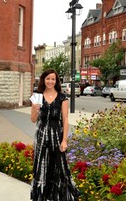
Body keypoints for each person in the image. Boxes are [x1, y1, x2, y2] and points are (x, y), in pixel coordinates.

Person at [30, 68, 80, 201]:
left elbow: (65, 120)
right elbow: (33, 119)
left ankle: (59, 197)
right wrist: (35, 109)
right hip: (41, 137)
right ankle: (41, 197)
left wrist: (64, 140)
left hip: (57, 137)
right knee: (41, 168)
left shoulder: (62, 97)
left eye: (53, 79)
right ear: (43, 80)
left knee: (59, 167)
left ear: (56, 80)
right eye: (48, 78)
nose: (50, 81)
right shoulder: (37, 95)